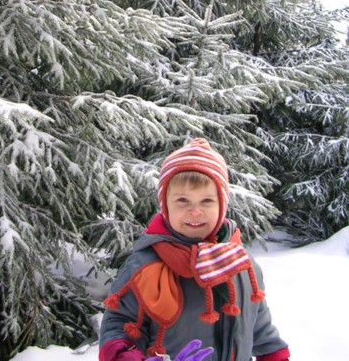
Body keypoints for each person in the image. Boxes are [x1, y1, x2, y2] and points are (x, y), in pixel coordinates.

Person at [99, 138, 290, 361]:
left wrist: (274, 354)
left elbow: (257, 322)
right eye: (183, 200)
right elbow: (118, 324)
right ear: (165, 206)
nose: (195, 211)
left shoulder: (241, 263)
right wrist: (127, 356)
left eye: (207, 200)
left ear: (222, 205)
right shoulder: (146, 265)